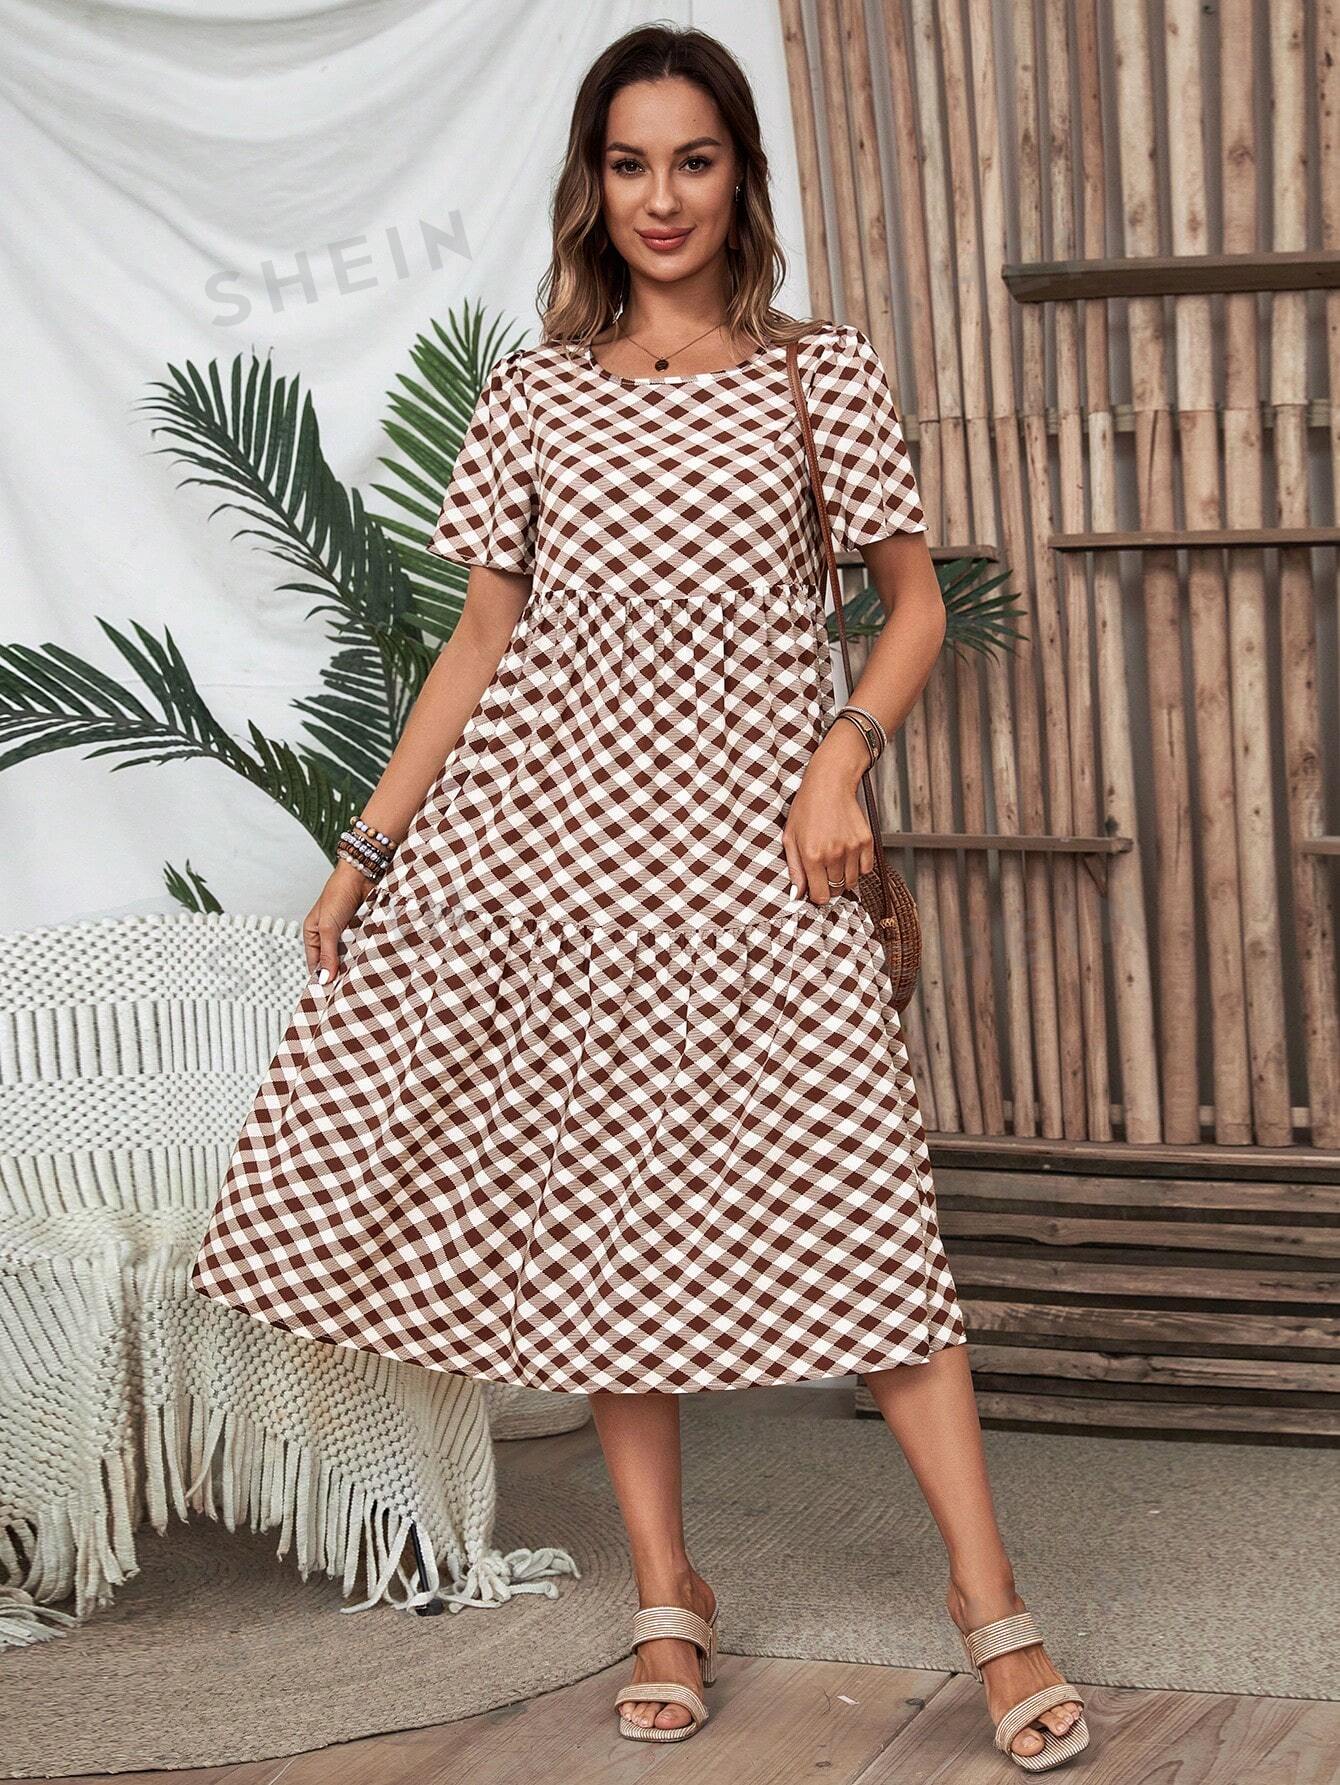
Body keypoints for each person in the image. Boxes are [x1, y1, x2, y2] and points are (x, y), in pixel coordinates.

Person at [191, 21, 1088, 1771]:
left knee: (866, 1215)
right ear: (589, 185)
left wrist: (841, 760)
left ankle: (992, 1603)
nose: (661, 196)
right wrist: (367, 845)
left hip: (762, 847)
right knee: (606, 1223)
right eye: (629, 163)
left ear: (741, 175)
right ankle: (667, 1588)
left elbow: (910, 606)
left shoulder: (822, 375)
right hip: (556, 854)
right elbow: (482, 641)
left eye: (694, 160)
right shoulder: (534, 392)